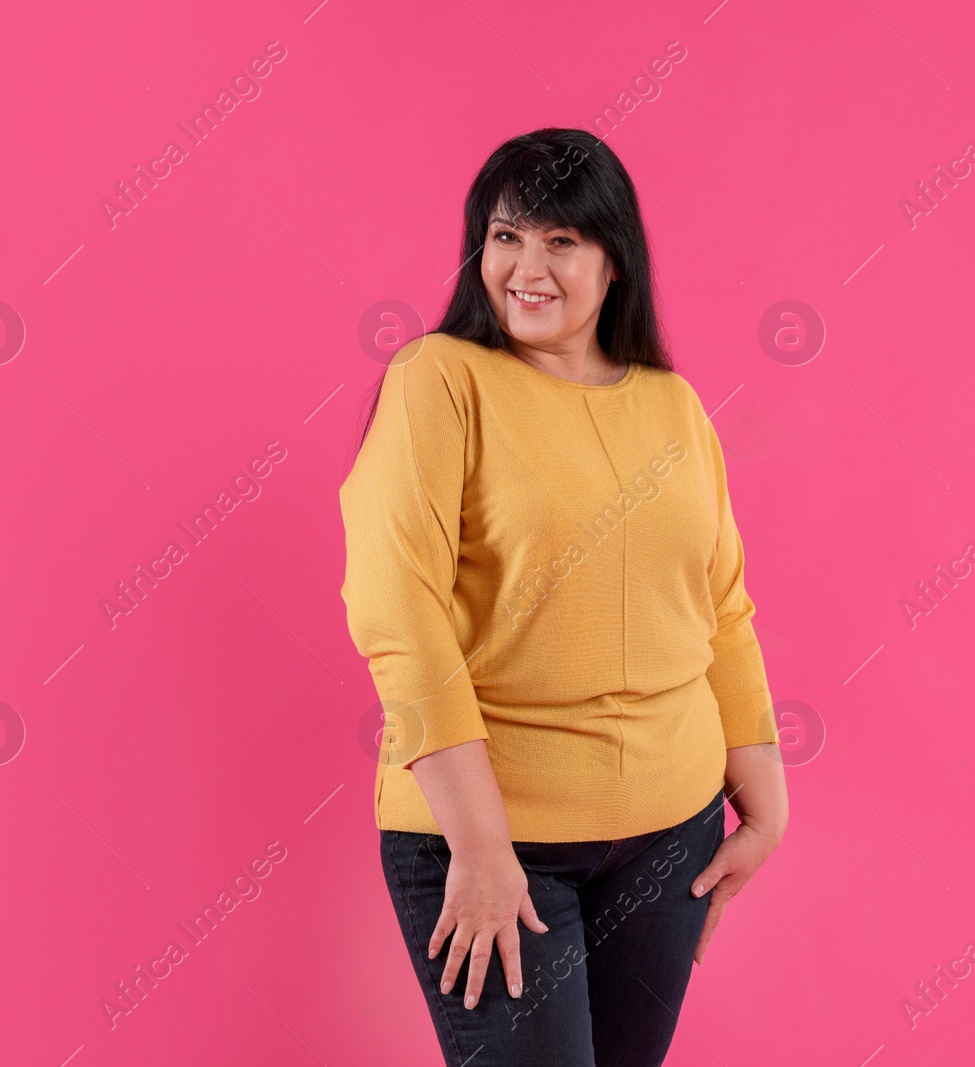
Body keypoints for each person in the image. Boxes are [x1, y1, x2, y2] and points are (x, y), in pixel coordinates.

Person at [339, 127, 789, 1067]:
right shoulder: (438, 380)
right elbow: (400, 613)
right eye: (505, 236)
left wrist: (766, 804)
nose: (526, 267)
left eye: (561, 241)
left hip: (671, 836)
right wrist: (482, 847)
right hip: (495, 838)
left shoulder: (672, 404)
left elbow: (723, 609)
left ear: (614, 260)